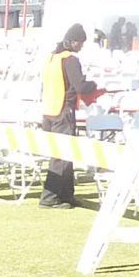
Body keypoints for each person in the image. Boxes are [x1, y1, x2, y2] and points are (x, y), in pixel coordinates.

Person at [39, 23, 103, 208]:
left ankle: (67, 196)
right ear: (73, 42)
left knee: (65, 153)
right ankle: (49, 198)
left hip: (48, 111)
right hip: (63, 111)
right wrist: (93, 85)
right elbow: (80, 86)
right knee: (60, 155)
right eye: (81, 43)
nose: (82, 46)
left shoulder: (51, 58)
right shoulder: (70, 60)